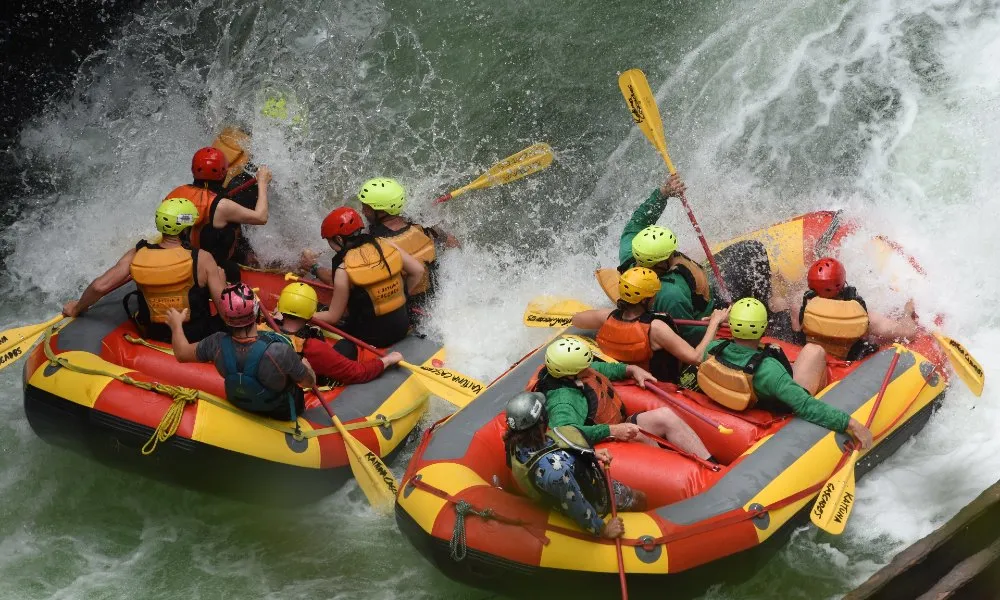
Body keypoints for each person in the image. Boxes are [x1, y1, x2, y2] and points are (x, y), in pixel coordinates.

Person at [616, 174, 774, 344]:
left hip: (697, 282)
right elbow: (690, 335)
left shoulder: (630, 251)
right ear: (662, 261)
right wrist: (719, 320)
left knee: (747, 249)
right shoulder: (670, 294)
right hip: (711, 304)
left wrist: (663, 193)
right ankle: (764, 316)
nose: (673, 253)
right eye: (670, 252)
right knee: (754, 251)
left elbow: (638, 221)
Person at [697, 297, 873, 448]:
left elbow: (700, 355)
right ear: (764, 328)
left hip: (749, 398)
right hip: (778, 408)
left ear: (731, 325)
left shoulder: (713, 349)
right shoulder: (768, 370)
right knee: (814, 351)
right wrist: (851, 424)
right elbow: (805, 406)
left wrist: (715, 322)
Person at [62, 198, 226, 343]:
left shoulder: (137, 253)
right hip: (197, 335)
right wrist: (222, 283)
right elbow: (225, 310)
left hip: (156, 333)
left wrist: (77, 308)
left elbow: (99, 286)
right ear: (185, 229)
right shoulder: (203, 258)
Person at [530, 336, 716, 461]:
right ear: (570, 375)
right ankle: (687, 472)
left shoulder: (575, 372)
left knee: (665, 415)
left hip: (618, 423)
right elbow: (563, 432)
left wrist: (630, 369)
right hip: (604, 442)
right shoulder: (564, 400)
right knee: (639, 434)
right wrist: (612, 430)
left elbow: (600, 369)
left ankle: (711, 464)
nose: (589, 368)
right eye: (584, 368)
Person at [503, 392, 646, 539]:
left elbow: (553, 447)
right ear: (541, 421)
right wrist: (603, 530)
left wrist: (590, 453)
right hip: (591, 493)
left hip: (573, 474)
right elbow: (576, 503)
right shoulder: (555, 473)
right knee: (639, 498)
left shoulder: (517, 444)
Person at [166, 282, 317, 421]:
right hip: (279, 413)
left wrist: (176, 325)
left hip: (240, 404)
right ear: (257, 312)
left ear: (225, 318)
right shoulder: (279, 351)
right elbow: (309, 383)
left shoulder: (215, 343)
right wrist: (306, 366)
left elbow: (181, 353)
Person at [573, 267, 730, 384]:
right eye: (653, 294)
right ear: (644, 300)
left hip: (628, 374)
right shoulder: (656, 328)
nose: (655, 296)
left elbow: (577, 319)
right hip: (662, 382)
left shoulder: (606, 317)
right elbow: (696, 358)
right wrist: (714, 322)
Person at [299, 207, 425, 348]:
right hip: (402, 327)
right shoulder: (385, 243)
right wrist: (403, 294)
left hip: (371, 338)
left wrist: (297, 315)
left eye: (330, 241)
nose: (330, 246)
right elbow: (418, 271)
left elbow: (333, 317)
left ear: (339, 239)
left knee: (320, 313)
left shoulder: (343, 269)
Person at [162, 146, 273, 281]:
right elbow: (261, 217)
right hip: (213, 266)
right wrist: (262, 183)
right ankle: (247, 257)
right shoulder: (222, 206)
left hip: (180, 259)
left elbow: (188, 217)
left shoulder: (174, 194)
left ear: (193, 171)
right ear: (224, 173)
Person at [272, 282, 404, 385]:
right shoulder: (314, 347)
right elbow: (356, 373)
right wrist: (387, 360)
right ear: (312, 311)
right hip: (306, 381)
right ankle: (331, 383)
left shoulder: (265, 325)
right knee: (347, 347)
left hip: (278, 378)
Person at [357, 177, 459, 307]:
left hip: (407, 308)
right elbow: (453, 243)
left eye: (366, 207)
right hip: (437, 297)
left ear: (381, 212)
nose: (362, 211)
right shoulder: (423, 223)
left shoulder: (372, 242)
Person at [795, 257, 919, 360]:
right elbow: (909, 333)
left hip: (808, 359)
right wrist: (907, 312)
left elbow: (796, 329)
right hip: (844, 368)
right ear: (844, 286)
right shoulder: (863, 318)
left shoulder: (799, 308)